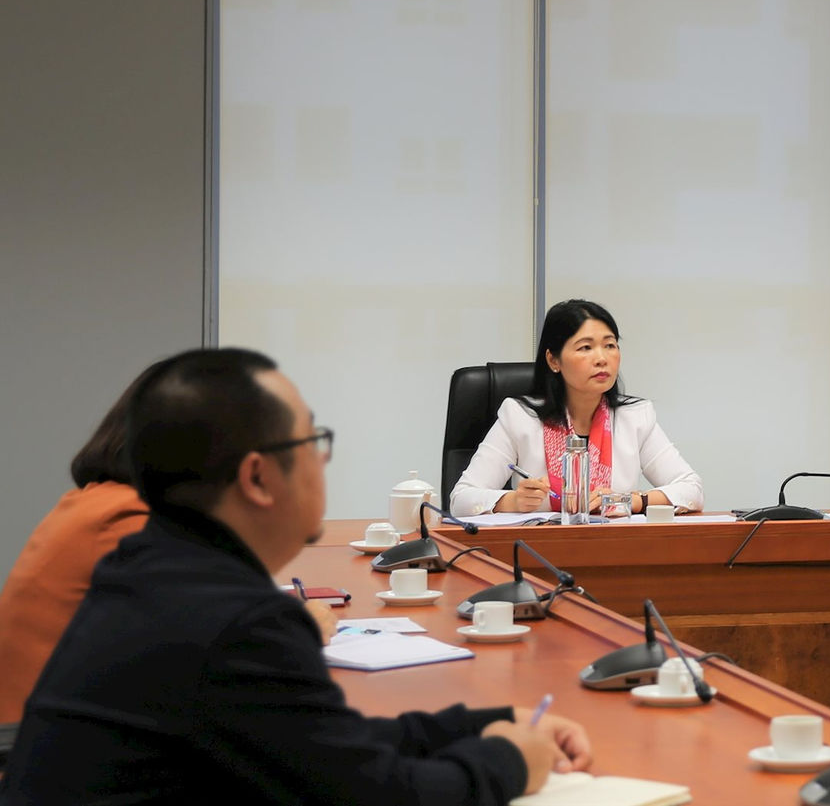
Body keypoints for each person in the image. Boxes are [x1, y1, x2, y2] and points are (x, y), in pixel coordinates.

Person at [0, 348, 589, 803]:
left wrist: (484, 723)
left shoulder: (155, 568)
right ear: (258, 478)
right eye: (312, 440)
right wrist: (510, 761)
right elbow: (379, 795)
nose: (322, 461)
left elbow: (326, 746)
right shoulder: (234, 623)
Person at [0, 362, 337, 723]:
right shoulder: (126, 521)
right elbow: (225, 651)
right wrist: (303, 626)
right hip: (47, 743)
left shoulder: (107, 502)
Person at [449, 299, 704, 517]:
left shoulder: (635, 417)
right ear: (553, 360)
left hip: (616, 548)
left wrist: (631, 501)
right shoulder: (520, 417)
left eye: (610, 345)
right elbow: (461, 498)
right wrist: (513, 501)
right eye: (585, 348)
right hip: (540, 550)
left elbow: (692, 489)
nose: (602, 358)